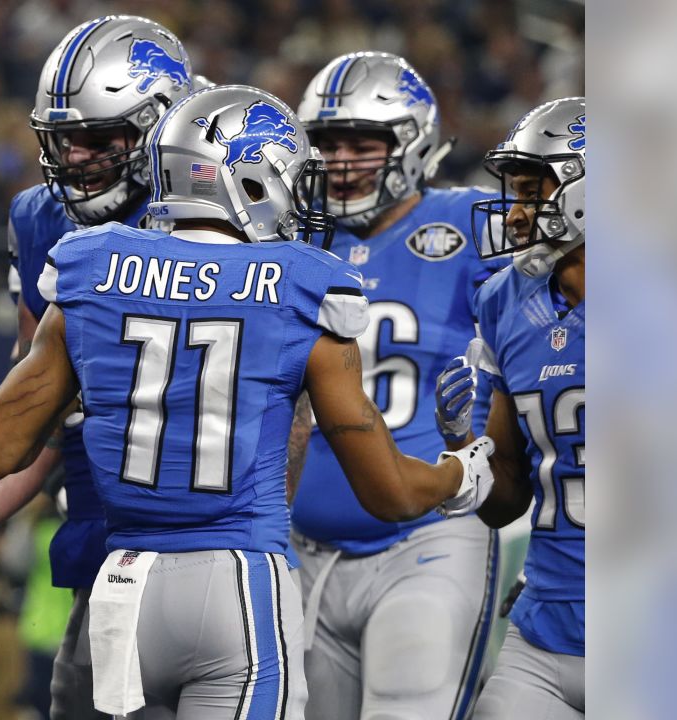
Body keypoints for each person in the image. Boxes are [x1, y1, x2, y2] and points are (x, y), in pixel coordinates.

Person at [0, 85, 498, 720]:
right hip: (236, 582)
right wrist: (461, 469)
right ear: (251, 181)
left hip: (121, 585)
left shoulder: (89, 266)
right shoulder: (305, 285)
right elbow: (391, 494)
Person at [0, 16, 199, 719]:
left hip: (216, 543)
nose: (77, 158)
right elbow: (39, 423)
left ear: (160, 128)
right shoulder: (40, 218)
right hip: (105, 548)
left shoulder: (220, 215)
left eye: (99, 138)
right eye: (63, 140)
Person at [287, 52, 506, 720]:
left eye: (363, 143)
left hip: (430, 535)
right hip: (301, 548)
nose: (342, 160)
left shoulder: (472, 221)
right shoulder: (287, 238)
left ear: (409, 144)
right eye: (326, 144)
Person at [442, 97, 585, 718]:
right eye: (516, 191)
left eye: (534, 192)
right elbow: (505, 503)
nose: (517, 211)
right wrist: (463, 446)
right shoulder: (505, 299)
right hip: (543, 630)